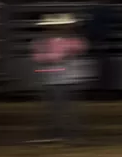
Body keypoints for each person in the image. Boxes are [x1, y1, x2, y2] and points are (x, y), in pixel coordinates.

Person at [30, 13, 88, 142]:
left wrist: (57, 55)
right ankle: (60, 132)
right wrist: (56, 56)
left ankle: (66, 132)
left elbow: (81, 48)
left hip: (67, 78)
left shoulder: (71, 40)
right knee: (57, 107)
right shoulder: (41, 41)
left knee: (64, 107)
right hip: (53, 78)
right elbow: (38, 57)